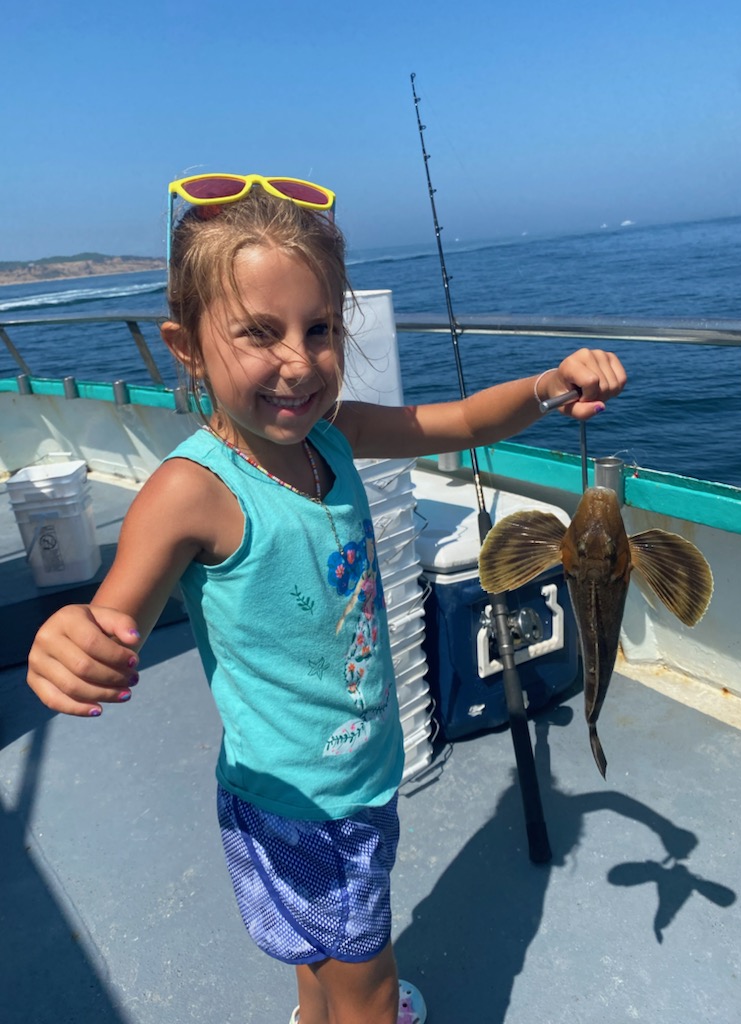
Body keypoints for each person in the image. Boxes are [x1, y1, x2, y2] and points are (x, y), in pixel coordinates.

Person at [26, 172, 627, 1024]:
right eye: (258, 334)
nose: (298, 363)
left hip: (338, 775)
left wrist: (545, 387)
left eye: (320, 329)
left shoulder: (333, 434)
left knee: (323, 954)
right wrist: (69, 635)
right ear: (185, 346)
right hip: (312, 801)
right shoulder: (191, 490)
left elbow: (455, 423)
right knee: (371, 985)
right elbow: (111, 615)